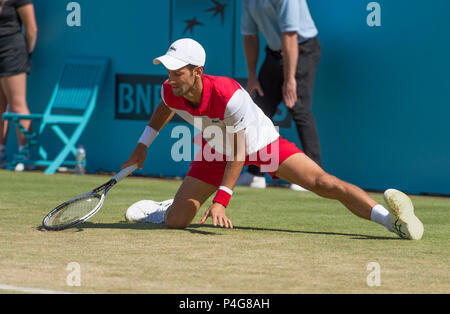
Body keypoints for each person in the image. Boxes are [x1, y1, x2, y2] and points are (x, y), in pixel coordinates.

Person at [121, 38, 424, 240]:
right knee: (176, 222)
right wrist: (141, 146)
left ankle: (391, 221)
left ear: (198, 71)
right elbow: (165, 107)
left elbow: (240, 151)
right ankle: (167, 208)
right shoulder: (170, 90)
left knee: (324, 183)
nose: (171, 78)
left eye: (178, 72)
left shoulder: (229, 95)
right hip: (216, 148)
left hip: (261, 144)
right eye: (169, 71)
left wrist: (221, 200)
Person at [236, 0, 322, 190]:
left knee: (298, 107)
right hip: (275, 53)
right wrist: (252, 76)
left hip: (302, 49)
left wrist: (290, 78)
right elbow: (249, 36)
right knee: (260, 110)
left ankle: (313, 176)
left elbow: (290, 34)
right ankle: (255, 173)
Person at [0, 0, 37, 168]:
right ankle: (1, 152)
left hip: (13, 53)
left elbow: (31, 29)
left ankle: (24, 154)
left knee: (17, 105)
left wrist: (26, 55)